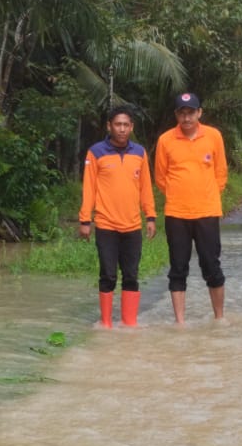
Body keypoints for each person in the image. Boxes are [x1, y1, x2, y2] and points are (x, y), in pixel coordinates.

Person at [153, 91, 228, 322]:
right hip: (176, 214)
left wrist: (206, 195)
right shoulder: (166, 140)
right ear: (176, 115)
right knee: (178, 267)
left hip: (207, 212)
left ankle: (219, 318)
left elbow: (221, 173)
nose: (186, 118)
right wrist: (178, 194)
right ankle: (180, 322)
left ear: (199, 113)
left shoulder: (213, 136)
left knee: (211, 265)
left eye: (191, 112)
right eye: (182, 113)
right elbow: (160, 177)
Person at [78, 106, 156, 327]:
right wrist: (85, 220)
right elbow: (89, 188)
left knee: (131, 276)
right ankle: (106, 324)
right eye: (117, 124)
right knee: (108, 275)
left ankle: (129, 324)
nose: (122, 129)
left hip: (133, 226)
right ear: (109, 126)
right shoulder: (96, 152)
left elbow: (145, 188)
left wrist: (150, 216)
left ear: (131, 127)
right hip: (106, 225)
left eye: (126, 125)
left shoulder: (139, 153)